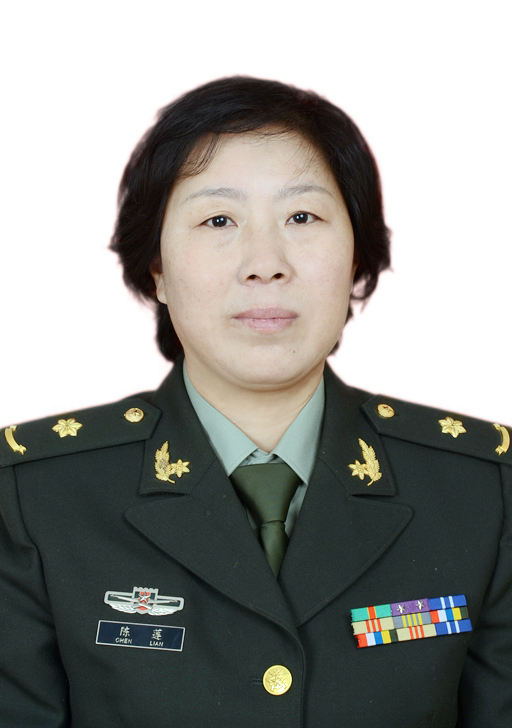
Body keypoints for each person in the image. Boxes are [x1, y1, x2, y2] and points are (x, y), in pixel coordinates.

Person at [0, 74, 510, 728]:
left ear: (358, 260)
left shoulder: (482, 491)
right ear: (157, 269)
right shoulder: (33, 500)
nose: (265, 263)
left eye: (302, 217)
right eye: (218, 220)